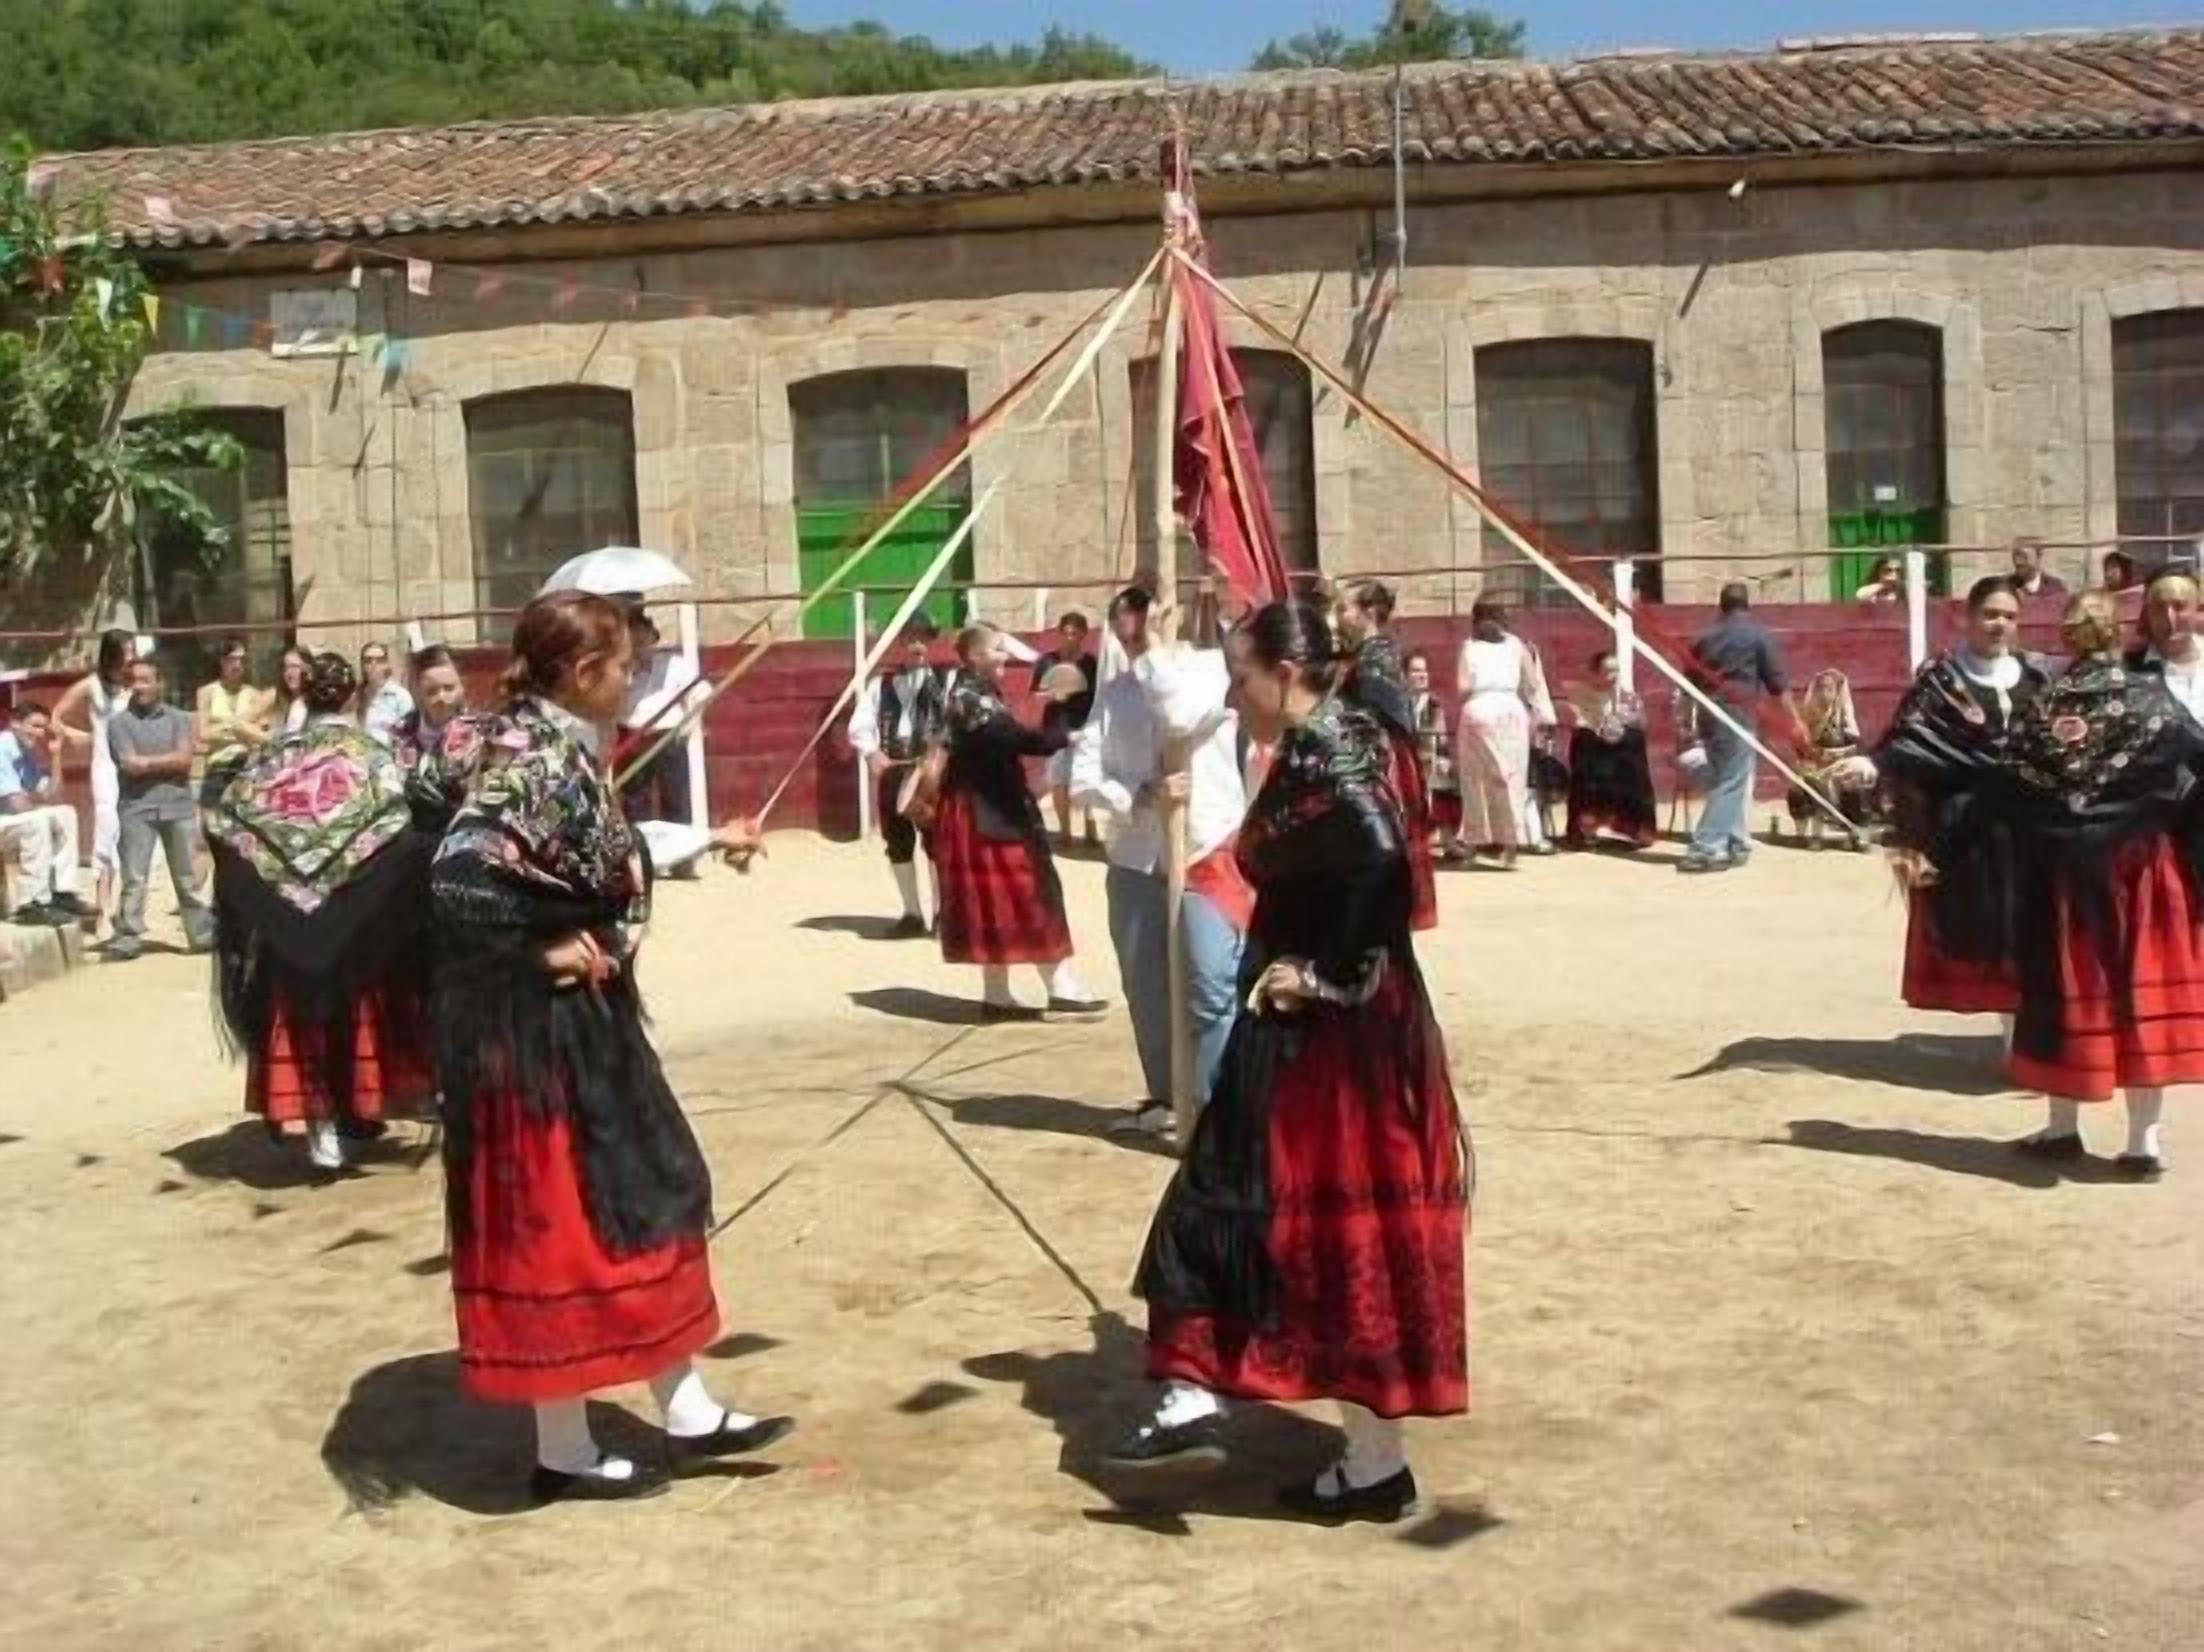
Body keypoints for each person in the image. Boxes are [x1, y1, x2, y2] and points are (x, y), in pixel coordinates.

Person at [1108, 601, 1469, 1524]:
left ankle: (1219, 1396)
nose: (1233, 694)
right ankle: (1353, 1451)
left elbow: (1383, 859)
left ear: (1287, 672)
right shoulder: (1328, 735)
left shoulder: (1334, 746)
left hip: (1332, 1031)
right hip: (1325, 1023)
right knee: (1301, 1219)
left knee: (1277, 1207)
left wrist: (1328, 971)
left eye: (1241, 675)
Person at [426, 591, 788, 1503]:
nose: (635, 678)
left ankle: (688, 1409)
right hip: (539, 1041)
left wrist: (708, 835)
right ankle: (565, 1450)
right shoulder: (533, 757)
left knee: (637, 1195)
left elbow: (594, 852)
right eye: (624, 665)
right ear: (584, 675)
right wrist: (537, 945)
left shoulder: (544, 746)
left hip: (575, 1025)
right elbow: (459, 876)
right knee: (573, 1224)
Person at [1893, 591, 2204, 1180]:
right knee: (2136, 995)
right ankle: (2143, 1144)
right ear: (2114, 634)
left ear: (2067, 638)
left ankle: (2063, 1131)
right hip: (2139, 872)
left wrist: (1942, 850)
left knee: (2062, 992)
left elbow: (1999, 790)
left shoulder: (2044, 708)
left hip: (2063, 879)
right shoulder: (2151, 701)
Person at [204, 654, 435, 1173]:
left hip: (286, 912)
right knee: (357, 1010)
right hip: (351, 912)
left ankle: (322, 1121)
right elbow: (399, 825)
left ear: (304, 695)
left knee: (298, 1011)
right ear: (353, 696)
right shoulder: (375, 755)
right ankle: (352, 1108)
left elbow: (231, 822)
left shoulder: (271, 757)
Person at [1069, 586, 1252, 1141]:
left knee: (1209, 983)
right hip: (1135, 858)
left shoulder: (1211, 670)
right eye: (1123, 609)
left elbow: (1177, 716)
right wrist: (1140, 793)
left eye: (1143, 606)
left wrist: (1154, 650)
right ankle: (1168, 1095)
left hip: (1205, 849)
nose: (1131, 618)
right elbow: (1080, 779)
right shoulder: (1114, 694)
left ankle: (1214, 1106)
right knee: (1147, 988)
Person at [1876, 575, 2049, 1027]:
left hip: (2031, 832)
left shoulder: (2039, 677)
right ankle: (2009, 1034)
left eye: (2009, 616)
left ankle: (2024, 1037)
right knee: (1986, 931)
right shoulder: (1940, 681)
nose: (1999, 624)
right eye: (1990, 614)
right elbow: (1906, 746)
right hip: (1964, 832)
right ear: (1968, 618)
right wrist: (1872, 770)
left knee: (2031, 933)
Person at [932, 624, 1106, 1018]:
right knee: (1030, 893)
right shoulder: (970, 698)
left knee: (996, 901)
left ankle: (997, 996)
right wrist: (1062, 721)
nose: (1004, 658)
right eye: (997, 650)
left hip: (982, 808)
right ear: (976, 656)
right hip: (990, 811)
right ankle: (1060, 988)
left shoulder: (972, 693)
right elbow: (1021, 740)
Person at [1335, 580, 1441, 926]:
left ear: (1368, 613)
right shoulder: (1364, 654)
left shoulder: (1375, 657)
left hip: (1383, 759)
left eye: (1344, 608)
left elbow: (1379, 717)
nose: (1338, 616)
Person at [1681, 583, 1805, 875]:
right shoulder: (1757, 634)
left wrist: (1686, 719)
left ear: (1721, 605)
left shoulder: (1703, 636)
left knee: (1726, 776)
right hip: (1737, 710)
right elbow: (1777, 683)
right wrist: (1795, 720)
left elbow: (1687, 683)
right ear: (1747, 604)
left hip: (1708, 712)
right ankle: (1707, 846)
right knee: (1732, 779)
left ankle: (1736, 841)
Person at [847, 617, 951, 937]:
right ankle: (911, 913)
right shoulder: (881, 684)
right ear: (898, 643)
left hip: (930, 772)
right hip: (894, 769)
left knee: (937, 843)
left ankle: (942, 914)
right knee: (898, 841)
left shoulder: (945, 682)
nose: (917, 645)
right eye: (910, 638)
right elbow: (860, 725)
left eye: (922, 639)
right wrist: (870, 751)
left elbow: (954, 725)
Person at [107, 657, 214, 962]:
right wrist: (163, 762)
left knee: (186, 877)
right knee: (135, 878)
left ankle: (201, 934)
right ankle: (128, 936)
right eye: (134, 681)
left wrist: (147, 763)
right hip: (136, 809)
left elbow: (184, 761)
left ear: (160, 684)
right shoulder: (118, 724)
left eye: (145, 680)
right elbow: (128, 764)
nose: (139, 687)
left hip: (177, 806)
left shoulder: (181, 719)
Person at [1454, 598, 1556, 870]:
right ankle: (1511, 848)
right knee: (1511, 778)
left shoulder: (1469, 647)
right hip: (1511, 711)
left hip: (1477, 710)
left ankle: (1474, 845)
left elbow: (1463, 686)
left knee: (1475, 780)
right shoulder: (1517, 646)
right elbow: (1533, 684)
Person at [49, 629, 135, 934]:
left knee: (132, 833)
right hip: (105, 769)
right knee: (106, 832)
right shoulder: (91, 686)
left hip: (131, 768)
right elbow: (56, 717)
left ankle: (128, 908)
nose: (132, 654)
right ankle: (103, 911)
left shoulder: (134, 683)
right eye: (127, 649)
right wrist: (81, 737)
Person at [0, 703, 92, 927]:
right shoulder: (3, 747)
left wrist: (56, 756)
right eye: (34, 726)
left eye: (43, 728)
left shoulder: (27, 752)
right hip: (6, 819)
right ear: (15, 724)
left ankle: (62, 891)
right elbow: (17, 803)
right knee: (38, 820)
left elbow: (53, 795)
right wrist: (37, 802)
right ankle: (30, 902)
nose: (40, 733)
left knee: (65, 814)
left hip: (10, 820)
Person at [1562, 650, 1658, 851]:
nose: (1613, 676)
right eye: (1608, 671)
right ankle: (1587, 827)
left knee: (1634, 756)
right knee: (1588, 758)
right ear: (1595, 672)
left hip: (1620, 752)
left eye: (1616, 671)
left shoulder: (1627, 696)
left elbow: (1641, 723)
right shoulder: (1581, 695)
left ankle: (1633, 826)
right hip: (1594, 751)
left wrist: (1627, 721)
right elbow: (1580, 722)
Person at [617, 607, 700, 828]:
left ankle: (682, 858)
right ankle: (643, 854)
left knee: (676, 798)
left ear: (652, 638)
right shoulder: (618, 672)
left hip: (668, 736)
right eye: (633, 639)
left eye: (642, 638)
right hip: (631, 737)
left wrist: (687, 727)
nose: (639, 645)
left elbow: (701, 693)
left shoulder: (674, 665)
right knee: (635, 800)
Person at [1785, 669, 1878, 847]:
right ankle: (1809, 835)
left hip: (1840, 767)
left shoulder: (1844, 715)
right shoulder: (1807, 713)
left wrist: (1841, 754)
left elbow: (1859, 747)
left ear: (1837, 692)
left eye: (1830, 689)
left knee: (1859, 776)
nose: (1825, 694)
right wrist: (1817, 755)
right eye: (1821, 689)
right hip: (1815, 767)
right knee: (1801, 785)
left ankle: (1855, 833)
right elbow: (1799, 747)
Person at [1030, 612, 1099, 846]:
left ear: (1083, 635)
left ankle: (1091, 831)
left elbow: (1099, 696)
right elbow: (1035, 695)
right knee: (1059, 781)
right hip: (1056, 728)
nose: (1070, 637)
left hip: (1085, 727)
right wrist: (1053, 695)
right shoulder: (1047, 662)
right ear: (1060, 633)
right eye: (1066, 632)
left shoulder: (1090, 664)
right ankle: (1065, 831)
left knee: (1089, 779)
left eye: (1075, 633)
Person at [1403, 650, 1464, 860]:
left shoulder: (1433, 703)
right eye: (1416, 671)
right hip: (1406, 758)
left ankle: (1448, 841)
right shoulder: (1400, 702)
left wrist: (1443, 758)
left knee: (1444, 781)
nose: (1422, 675)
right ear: (1405, 675)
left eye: (1424, 671)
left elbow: (1439, 734)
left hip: (1430, 757)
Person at [2124, 567, 2204, 723]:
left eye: (2180, 607)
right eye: (2159, 608)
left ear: (2197, 609)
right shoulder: (2129, 670)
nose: (2170, 619)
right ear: (2147, 614)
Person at [391, 644, 472, 773]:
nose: (441, 697)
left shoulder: (481, 732)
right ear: (417, 692)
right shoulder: (401, 732)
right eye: (431, 691)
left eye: (449, 688)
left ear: (462, 686)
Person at [194, 637, 270, 763]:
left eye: (242, 660)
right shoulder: (206, 692)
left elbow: (261, 734)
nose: (237, 665)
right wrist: (239, 728)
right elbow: (203, 734)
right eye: (232, 660)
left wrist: (221, 728)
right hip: (218, 762)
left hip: (247, 762)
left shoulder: (255, 695)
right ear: (222, 662)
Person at [357, 640, 414, 746]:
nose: (374, 665)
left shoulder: (399, 696)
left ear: (386, 664)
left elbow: (410, 732)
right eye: (368, 660)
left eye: (379, 660)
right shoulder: (357, 696)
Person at [269, 646, 312, 737]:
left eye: (295, 667)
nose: (289, 673)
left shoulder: (308, 704)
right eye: (286, 668)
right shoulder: (282, 703)